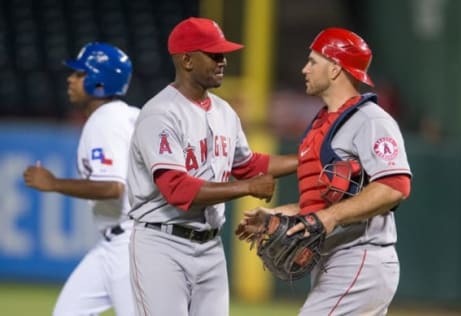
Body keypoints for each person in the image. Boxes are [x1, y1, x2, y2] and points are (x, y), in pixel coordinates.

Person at [127, 17, 297, 316]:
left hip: (210, 247)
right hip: (162, 245)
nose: (223, 61)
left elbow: (248, 165)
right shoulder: (160, 114)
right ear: (187, 60)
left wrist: (309, 159)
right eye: (214, 54)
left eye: (224, 54)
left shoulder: (224, 111)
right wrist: (247, 188)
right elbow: (176, 189)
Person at [236, 27, 412, 315]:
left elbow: (395, 186)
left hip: (359, 258)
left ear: (334, 69)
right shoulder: (322, 124)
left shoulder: (370, 120)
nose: (305, 69)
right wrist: (278, 215)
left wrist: (328, 217)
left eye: (313, 62)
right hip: (336, 261)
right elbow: (322, 205)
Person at [23, 42, 138, 316]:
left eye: (80, 74)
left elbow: (113, 187)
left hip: (132, 245)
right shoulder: (127, 114)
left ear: (99, 81)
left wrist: (54, 184)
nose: (70, 79)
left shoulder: (105, 121)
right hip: (115, 243)